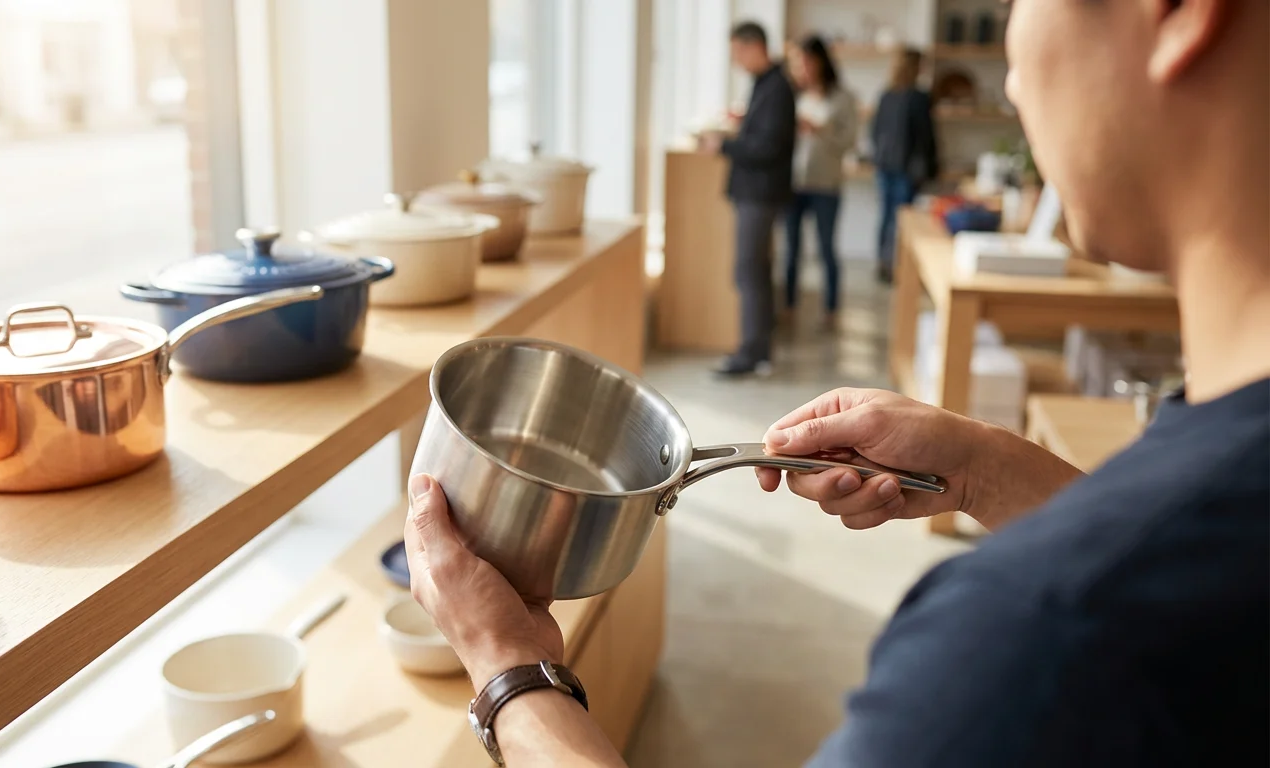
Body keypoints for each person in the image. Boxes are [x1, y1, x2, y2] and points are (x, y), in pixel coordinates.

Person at [404, 1, 1269, 765]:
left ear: (1179, 11)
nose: (1009, 59)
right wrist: (980, 466)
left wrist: (507, 668)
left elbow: (1129, 585)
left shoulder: (1039, 639)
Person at [698, 21, 796, 377]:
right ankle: (759, 351)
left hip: (760, 193)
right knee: (756, 271)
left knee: (749, 272)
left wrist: (722, 144)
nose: (736, 61)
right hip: (757, 192)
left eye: (738, 52)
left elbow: (768, 147)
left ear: (754, 47)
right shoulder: (767, 84)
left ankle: (750, 353)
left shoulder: (777, 88)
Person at [784, 35, 858, 330]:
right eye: (797, 62)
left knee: (827, 249)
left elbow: (848, 141)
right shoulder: (792, 95)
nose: (803, 67)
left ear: (821, 61)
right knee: (791, 250)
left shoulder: (842, 98)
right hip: (793, 184)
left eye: (807, 61)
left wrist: (819, 130)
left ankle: (831, 308)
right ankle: (788, 305)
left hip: (826, 184)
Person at [871, 47, 937, 284]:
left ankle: (883, 262)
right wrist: (931, 166)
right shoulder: (918, 97)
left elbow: (875, 131)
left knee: (887, 216)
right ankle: (898, 266)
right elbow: (925, 137)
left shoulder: (886, 95)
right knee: (903, 220)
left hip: (884, 165)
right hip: (906, 169)